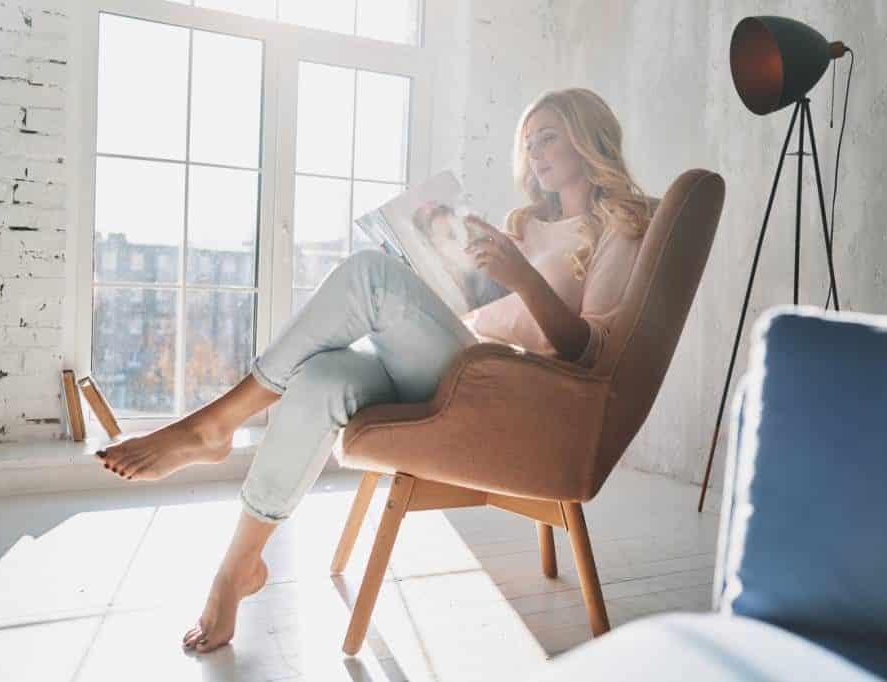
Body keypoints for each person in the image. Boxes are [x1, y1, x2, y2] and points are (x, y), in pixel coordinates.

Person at [95, 87, 655, 653]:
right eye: (528, 142)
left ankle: (214, 424)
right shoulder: (525, 225)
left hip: (510, 387)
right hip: (460, 357)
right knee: (321, 378)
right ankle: (238, 569)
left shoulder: (620, 226)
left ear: (588, 138)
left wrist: (523, 278)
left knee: (368, 275)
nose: (534, 153)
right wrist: (435, 272)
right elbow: (477, 309)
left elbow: (588, 351)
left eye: (548, 137)